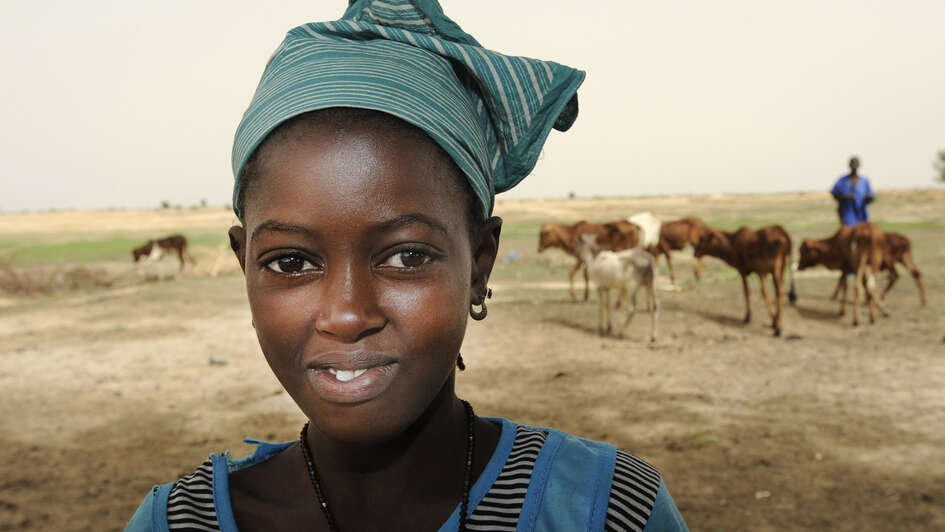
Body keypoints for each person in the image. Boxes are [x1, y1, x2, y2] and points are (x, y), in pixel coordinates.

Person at [125, 1, 687, 530]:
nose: (347, 316)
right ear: (244, 266)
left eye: (406, 256)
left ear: (479, 264)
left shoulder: (608, 511)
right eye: (290, 262)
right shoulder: (175, 522)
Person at [830, 156, 875, 226]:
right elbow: (834, 194)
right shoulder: (842, 180)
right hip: (847, 213)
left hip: (861, 214)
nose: (854, 166)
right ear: (849, 165)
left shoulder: (864, 181)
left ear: (859, 165)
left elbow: (871, 197)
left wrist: (867, 198)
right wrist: (845, 197)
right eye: (852, 163)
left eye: (856, 163)